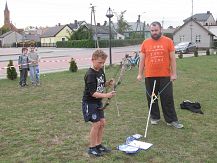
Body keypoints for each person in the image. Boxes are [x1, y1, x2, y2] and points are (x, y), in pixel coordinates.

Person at [137, 21, 183, 129]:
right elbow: (142, 60)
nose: (154, 32)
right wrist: (140, 74)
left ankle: (171, 120)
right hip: (149, 76)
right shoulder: (145, 43)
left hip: (165, 75)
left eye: (156, 30)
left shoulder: (168, 41)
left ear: (160, 29)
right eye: (152, 31)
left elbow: (172, 59)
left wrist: (174, 73)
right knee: (152, 98)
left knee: (167, 98)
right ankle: (155, 117)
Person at [82, 49, 116, 157]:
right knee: (96, 124)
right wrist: (106, 95)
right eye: (99, 62)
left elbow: (101, 85)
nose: (101, 65)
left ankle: (98, 145)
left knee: (102, 123)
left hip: (98, 102)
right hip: (90, 102)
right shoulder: (90, 74)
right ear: (93, 60)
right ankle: (92, 148)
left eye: (103, 63)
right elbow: (93, 93)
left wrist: (107, 83)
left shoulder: (101, 71)